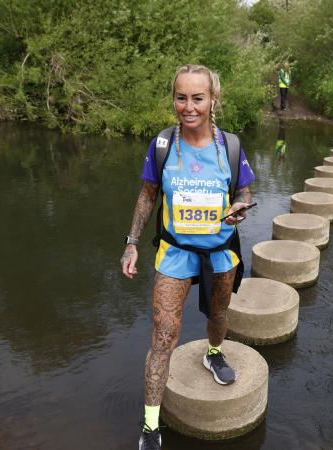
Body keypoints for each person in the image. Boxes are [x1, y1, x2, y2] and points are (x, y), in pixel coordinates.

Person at [120, 64, 255, 450]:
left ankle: (214, 353)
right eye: (181, 98)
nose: (189, 106)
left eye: (198, 98)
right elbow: (148, 194)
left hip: (220, 252)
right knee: (163, 336)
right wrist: (131, 243)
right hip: (175, 253)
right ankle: (150, 426)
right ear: (174, 99)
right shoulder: (162, 145)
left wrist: (241, 207)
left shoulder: (230, 146)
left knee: (219, 316)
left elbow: (244, 192)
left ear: (213, 100)